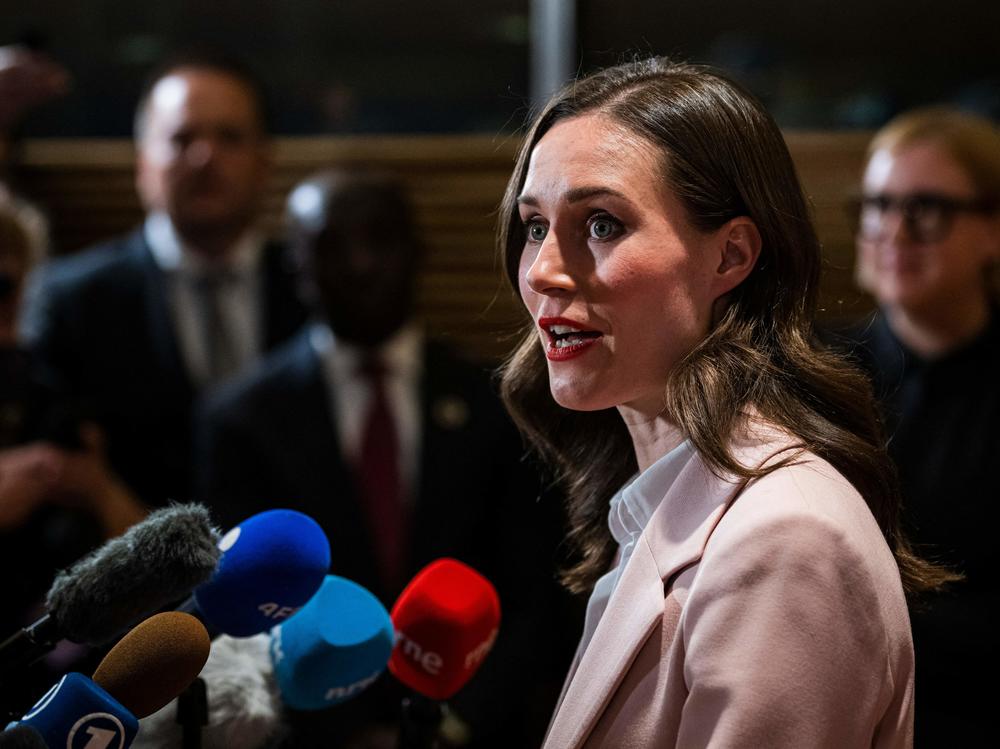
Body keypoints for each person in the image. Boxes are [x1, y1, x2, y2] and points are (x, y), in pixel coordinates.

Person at [496, 58, 945, 748]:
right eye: (533, 226)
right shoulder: (660, 499)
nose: (544, 269)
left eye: (602, 224)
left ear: (731, 256)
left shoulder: (788, 538)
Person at [196, 170, 573, 748]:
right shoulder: (242, 419)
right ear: (295, 265)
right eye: (331, 245)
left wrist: (453, 724)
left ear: (417, 252)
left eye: (381, 239)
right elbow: (241, 611)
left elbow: (536, 593)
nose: (362, 263)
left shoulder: (501, 404)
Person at [19, 52, 307, 507]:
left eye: (229, 137)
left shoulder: (315, 289)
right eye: (181, 137)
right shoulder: (73, 300)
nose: (205, 156)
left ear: (265, 162)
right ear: (142, 164)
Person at [844, 108, 1000, 744]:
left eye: (927, 208)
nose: (894, 231)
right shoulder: (817, 376)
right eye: (878, 205)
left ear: (993, 229)